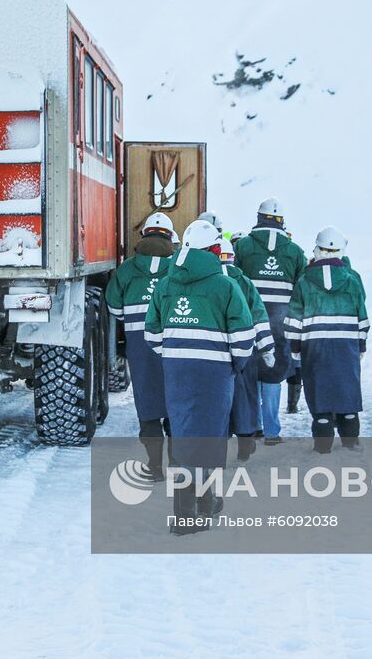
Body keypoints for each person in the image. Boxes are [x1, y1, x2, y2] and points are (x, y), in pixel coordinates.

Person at [144, 219, 258, 534]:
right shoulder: (226, 285)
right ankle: (203, 508)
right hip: (215, 373)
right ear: (213, 250)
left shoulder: (165, 285)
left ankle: (184, 512)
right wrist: (234, 365)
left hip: (177, 372)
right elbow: (243, 337)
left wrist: (174, 356)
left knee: (182, 433)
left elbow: (152, 334)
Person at [284, 226, 370, 452]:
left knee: (319, 389)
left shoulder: (304, 280)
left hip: (314, 345)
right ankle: (350, 438)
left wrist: (295, 346)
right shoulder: (353, 279)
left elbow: (294, 316)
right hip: (346, 344)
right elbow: (362, 314)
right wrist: (361, 343)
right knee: (347, 387)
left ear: (317, 249)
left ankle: (323, 441)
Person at [106, 212, 176, 479]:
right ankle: (177, 464)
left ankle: (155, 467)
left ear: (144, 235)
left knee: (147, 404)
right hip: (173, 345)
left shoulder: (126, 269)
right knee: (174, 401)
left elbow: (113, 306)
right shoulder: (178, 268)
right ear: (170, 237)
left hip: (140, 346)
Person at [232, 198, 307, 411]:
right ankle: (272, 427)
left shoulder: (243, 246)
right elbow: (301, 291)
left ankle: (254, 425)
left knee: (249, 369)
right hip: (280, 323)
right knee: (274, 372)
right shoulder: (295, 251)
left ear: (259, 218)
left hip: (249, 320)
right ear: (282, 221)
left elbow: (234, 282)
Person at [216, 235, 276, 456]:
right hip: (244, 351)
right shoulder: (245, 282)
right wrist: (267, 348)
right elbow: (258, 316)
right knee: (245, 396)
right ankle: (245, 444)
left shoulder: (206, 282)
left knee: (217, 399)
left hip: (215, 352)